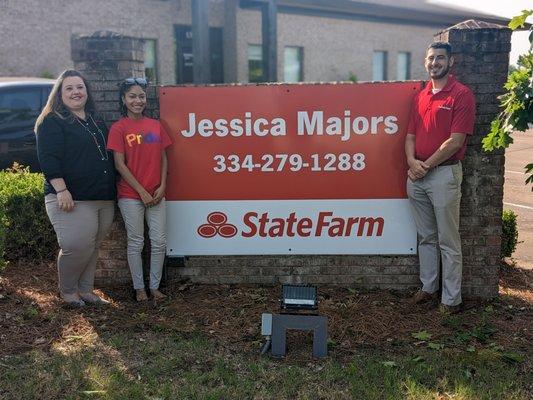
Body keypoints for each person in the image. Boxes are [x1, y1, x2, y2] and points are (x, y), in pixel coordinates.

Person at [405, 42, 476, 314]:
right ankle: (428, 288)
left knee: (448, 239)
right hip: (417, 175)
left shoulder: (461, 95)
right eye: (431, 58)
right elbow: (410, 135)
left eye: (440, 58)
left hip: (443, 174)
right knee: (426, 237)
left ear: (451, 62)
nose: (435, 62)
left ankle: (451, 300)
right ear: (426, 62)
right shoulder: (421, 96)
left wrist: (425, 166)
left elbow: (455, 141)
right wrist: (412, 162)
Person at [35, 69, 116, 307]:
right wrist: (61, 189)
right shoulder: (52, 121)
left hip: (103, 196)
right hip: (72, 197)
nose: (76, 92)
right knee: (76, 246)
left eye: (80, 87)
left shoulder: (94, 119)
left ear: (87, 91)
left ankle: (86, 290)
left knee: (91, 247)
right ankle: (68, 292)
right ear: (60, 94)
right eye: (69, 88)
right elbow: (48, 159)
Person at [107, 78, 171, 302]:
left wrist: (162, 186)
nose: (138, 100)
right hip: (131, 195)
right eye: (132, 96)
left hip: (157, 193)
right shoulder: (119, 128)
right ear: (124, 100)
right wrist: (141, 191)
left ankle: (154, 287)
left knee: (160, 241)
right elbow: (119, 164)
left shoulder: (155, 126)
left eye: (141, 96)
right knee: (136, 242)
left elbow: (162, 158)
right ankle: (139, 288)